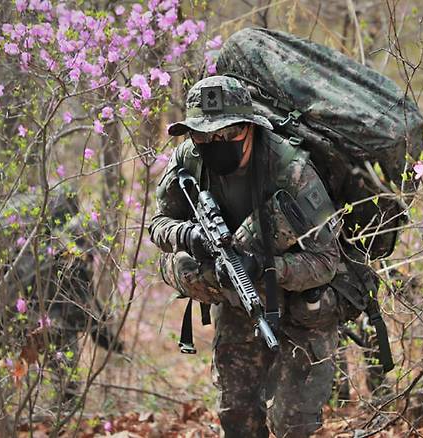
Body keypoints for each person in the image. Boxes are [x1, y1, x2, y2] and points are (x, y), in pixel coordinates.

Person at [148, 75, 341, 437]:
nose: (213, 143)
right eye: (202, 135)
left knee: (292, 424)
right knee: (237, 418)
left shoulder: (291, 170)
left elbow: (326, 261)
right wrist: (188, 235)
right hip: (238, 302)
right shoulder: (189, 160)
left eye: (226, 134)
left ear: (249, 128)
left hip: (304, 307)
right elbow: (158, 225)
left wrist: (268, 268)